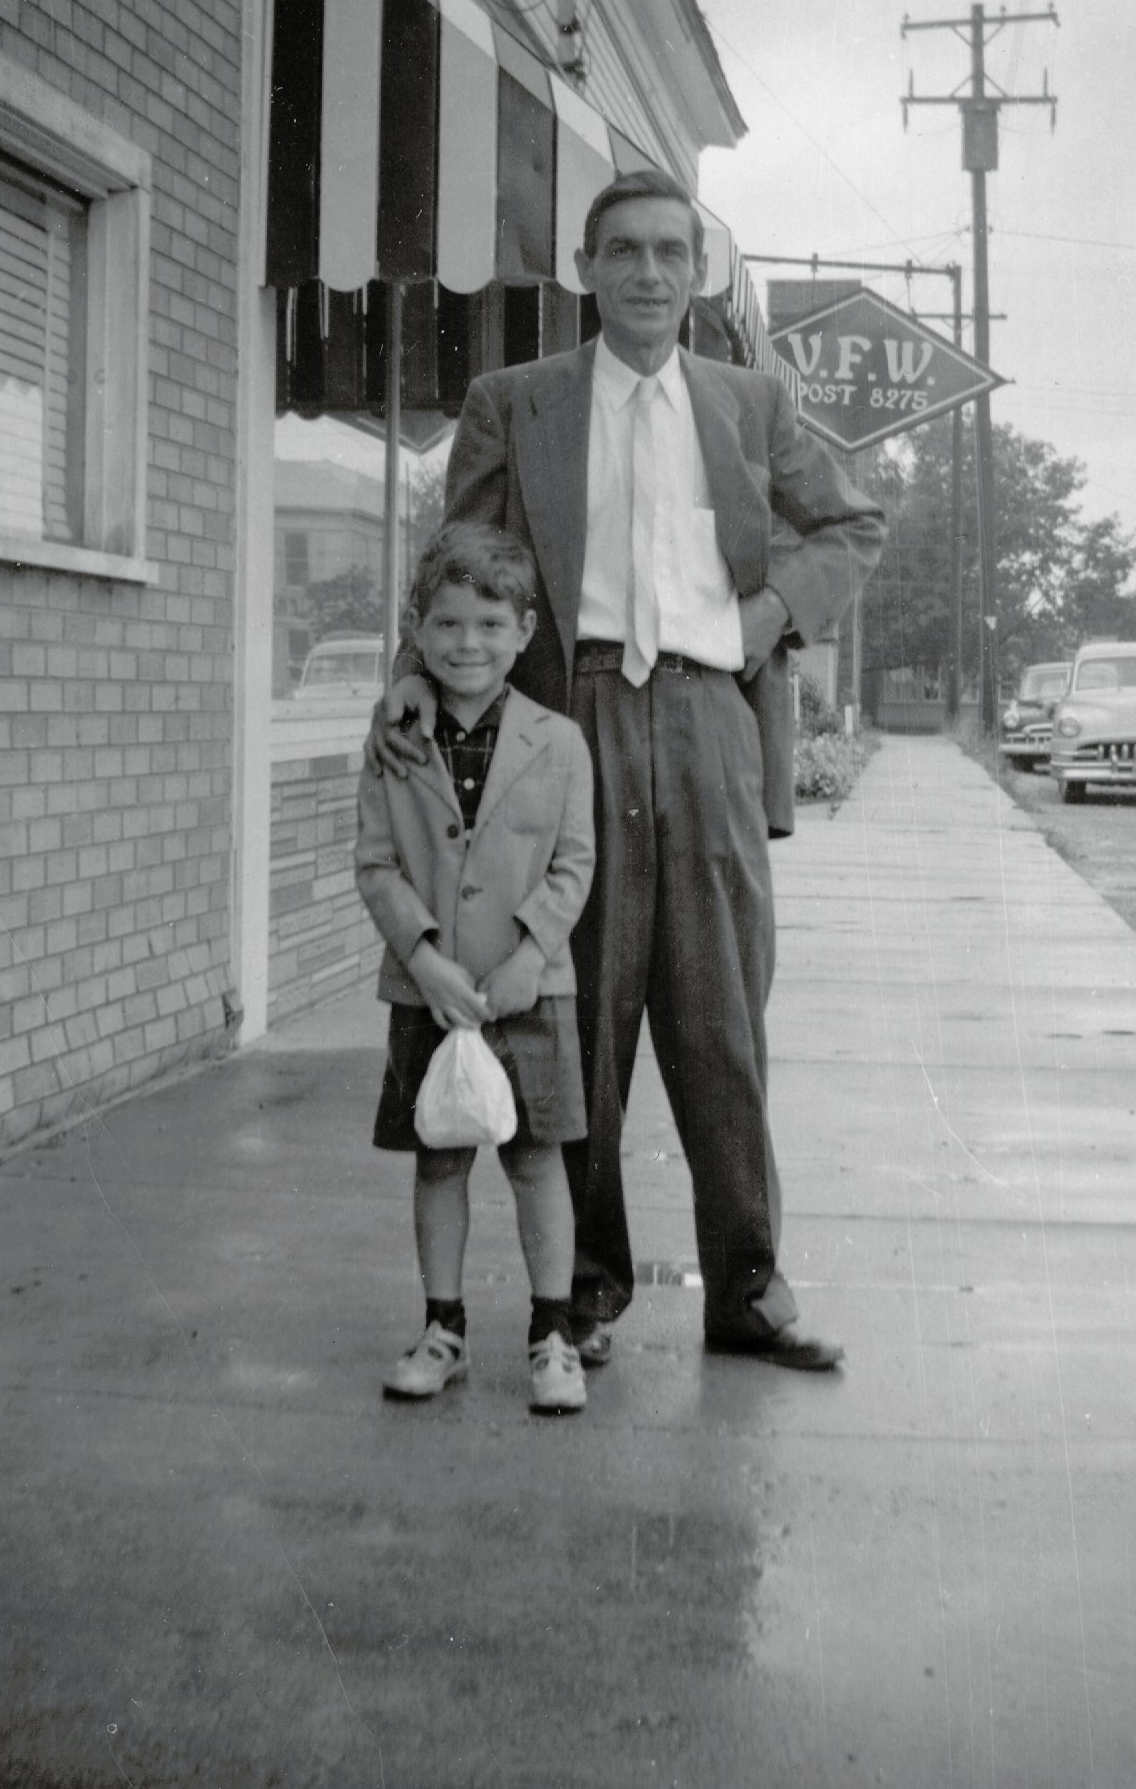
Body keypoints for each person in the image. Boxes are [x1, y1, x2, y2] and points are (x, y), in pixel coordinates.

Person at [373, 169, 885, 1374]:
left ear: (697, 271)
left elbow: (851, 524)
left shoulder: (753, 404)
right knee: (581, 1010)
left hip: (709, 717)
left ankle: (747, 1289)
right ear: (586, 269)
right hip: (569, 716)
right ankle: (585, 1293)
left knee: (720, 1017)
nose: (649, 273)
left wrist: (765, 619)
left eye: (670, 251)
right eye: (624, 252)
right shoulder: (517, 400)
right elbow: (468, 552)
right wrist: (412, 664)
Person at [355, 523, 596, 1415]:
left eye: (491, 624)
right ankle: (443, 1328)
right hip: (432, 988)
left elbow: (574, 862)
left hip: (528, 987)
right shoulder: (395, 736)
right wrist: (423, 958)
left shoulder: (559, 742)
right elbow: (375, 863)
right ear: (419, 633)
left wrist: (533, 954)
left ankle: (552, 1335)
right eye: (448, 625)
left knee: (538, 1163)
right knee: (440, 1160)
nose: (468, 643)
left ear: (525, 630)